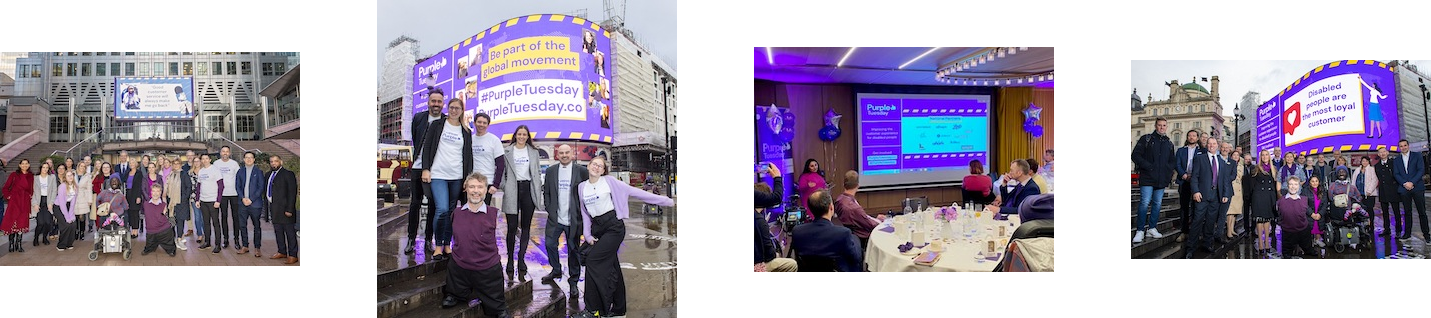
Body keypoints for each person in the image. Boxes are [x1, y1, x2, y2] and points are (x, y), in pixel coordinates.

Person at [574, 156, 674, 317]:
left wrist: (667, 201)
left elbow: (638, 193)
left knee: (593, 261)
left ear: (604, 170)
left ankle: (593, 310)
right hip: (597, 228)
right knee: (613, 267)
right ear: (588, 166)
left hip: (614, 227)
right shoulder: (581, 187)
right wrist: (587, 234)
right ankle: (619, 309)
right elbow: (584, 213)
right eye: (594, 164)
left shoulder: (610, 182)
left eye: (601, 166)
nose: (597, 167)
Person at [440, 173, 507, 317]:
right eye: (472, 187)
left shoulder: (495, 214)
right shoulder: (456, 213)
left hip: (487, 267)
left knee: (496, 308)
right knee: (454, 273)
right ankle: (455, 294)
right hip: (460, 266)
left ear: (485, 190)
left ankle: (497, 308)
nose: (476, 191)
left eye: (480, 187)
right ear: (465, 189)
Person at [422, 98, 474, 262]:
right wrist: (425, 169)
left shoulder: (466, 131)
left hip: (457, 176)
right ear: (448, 108)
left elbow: (468, 156)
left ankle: (446, 244)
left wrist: (467, 178)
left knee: (451, 213)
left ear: (462, 110)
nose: (454, 110)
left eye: (457, 108)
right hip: (438, 174)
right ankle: (438, 244)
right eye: (451, 107)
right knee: (442, 209)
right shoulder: (437, 125)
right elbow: (427, 147)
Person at [541, 144, 586, 289]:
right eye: (561, 153)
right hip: (555, 218)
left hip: (574, 220)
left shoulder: (582, 171)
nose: (564, 155)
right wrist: (549, 207)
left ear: (572, 153)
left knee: (574, 251)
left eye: (567, 152)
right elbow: (546, 191)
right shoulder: (551, 171)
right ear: (557, 155)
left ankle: (573, 281)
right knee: (549, 244)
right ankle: (556, 270)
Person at [499, 125, 542, 274]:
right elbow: (501, 171)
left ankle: (521, 258)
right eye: (520, 134)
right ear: (515, 135)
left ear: (528, 136)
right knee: (511, 227)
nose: (522, 137)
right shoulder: (507, 150)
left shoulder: (534, 152)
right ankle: (510, 260)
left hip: (528, 190)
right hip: (512, 189)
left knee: (526, 227)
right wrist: (505, 186)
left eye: (525, 134)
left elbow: (536, 172)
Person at [407, 90, 445, 255]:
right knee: (415, 204)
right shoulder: (419, 118)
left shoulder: (446, 121)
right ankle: (410, 239)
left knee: (433, 205)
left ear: (442, 103)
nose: (436, 104)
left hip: (436, 170)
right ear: (428, 102)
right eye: (433, 101)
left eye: (439, 102)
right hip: (417, 168)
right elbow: (416, 138)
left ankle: (429, 239)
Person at [788, 189, 861, 273]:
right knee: (856, 241)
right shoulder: (843, 233)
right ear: (831, 207)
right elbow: (854, 259)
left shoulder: (797, 231)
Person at [1131, 117, 1176, 243]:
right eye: (1160, 125)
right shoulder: (1146, 139)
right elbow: (1135, 155)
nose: (1162, 127)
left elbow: (1172, 161)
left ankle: (1152, 228)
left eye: (1164, 125)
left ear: (1167, 127)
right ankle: (1140, 230)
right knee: (1144, 203)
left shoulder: (1169, 143)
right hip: (1147, 177)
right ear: (1156, 126)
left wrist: (1168, 172)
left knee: (1157, 204)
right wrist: (1148, 166)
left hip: (1161, 179)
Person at [1184, 138, 1230, 259]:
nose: (1211, 146)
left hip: (1216, 196)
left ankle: (1207, 244)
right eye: (1209, 144)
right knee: (1197, 221)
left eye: (1214, 144)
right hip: (1201, 196)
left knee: (1210, 222)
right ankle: (1190, 248)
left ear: (1217, 145)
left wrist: (1225, 194)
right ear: (1207, 145)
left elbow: (1225, 180)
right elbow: (1194, 177)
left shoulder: (1222, 161)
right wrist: (1195, 191)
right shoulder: (1200, 158)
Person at [834, 170, 882, 254]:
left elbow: (862, 218)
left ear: (844, 184)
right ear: (857, 185)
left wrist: (874, 218)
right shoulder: (853, 208)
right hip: (862, 237)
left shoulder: (839, 199)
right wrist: (883, 222)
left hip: (853, 232)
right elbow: (870, 225)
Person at [1393, 139, 1429, 241]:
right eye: (1401, 146)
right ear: (1399, 148)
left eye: (1405, 145)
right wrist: (1405, 183)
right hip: (1404, 189)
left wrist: (1412, 182)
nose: (1403, 147)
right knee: (1407, 212)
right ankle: (1407, 234)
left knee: (1422, 212)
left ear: (1408, 146)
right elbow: (1396, 174)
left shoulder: (1417, 156)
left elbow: (1421, 170)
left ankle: (1426, 235)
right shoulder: (1396, 160)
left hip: (1417, 187)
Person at [266, 155, 299, 264]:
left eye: (276, 161)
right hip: (274, 209)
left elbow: (292, 193)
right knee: (278, 232)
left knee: (289, 233)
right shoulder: (268, 175)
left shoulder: (288, 174)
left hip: (285, 210)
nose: (273, 163)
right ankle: (282, 251)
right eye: (271, 162)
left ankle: (293, 255)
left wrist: (289, 209)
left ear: (281, 162)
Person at [232, 152, 265, 256]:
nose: (249, 159)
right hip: (242, 204)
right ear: (244, 159)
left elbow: (261, 187)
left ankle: (257, 248)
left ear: (254, 159)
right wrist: (242, 198)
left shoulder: (259, 172)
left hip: (255, 204)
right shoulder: (240, 171)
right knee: (242, 226)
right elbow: (237, 186)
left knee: (256, 226)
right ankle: (245, 246)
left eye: (251, 157)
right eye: (247, 157)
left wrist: (251, 199)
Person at [469, 113, 504, 208]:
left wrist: (496, 185)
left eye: (484, 123)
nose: (481, 125)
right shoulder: (470, 139)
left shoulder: (494, 140)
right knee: (471, 210)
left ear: (488, 125)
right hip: (472, 181)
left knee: (483, 211)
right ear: (474, 123)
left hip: (487, 182)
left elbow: (500, 164)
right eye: (479, 122)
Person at [1275, 176, 1315, 259]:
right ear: (1287, 185)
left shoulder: (1304, 199)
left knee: (1308, 248)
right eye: (1291, 184)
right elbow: (1277, 213)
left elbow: (1309, 212)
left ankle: (1309, 250)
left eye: (1296, 184)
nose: (1293, 186)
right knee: (1287, 254)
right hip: (1288, 231)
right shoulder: (1281, 201)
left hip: (1303, 229)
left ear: (1299, 186)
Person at [1174, 130, 1202, 243]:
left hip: (1197, 182)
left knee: (1197, 208)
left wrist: (1194, 176)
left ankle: (1195, 232)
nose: (1191, 137)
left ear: (1197, 138)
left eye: (1194, 136)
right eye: (1189, 135)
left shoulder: (1202, 151)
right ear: (1187, 137)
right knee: (1184, 208)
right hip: (1184, 181)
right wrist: (1184, 175)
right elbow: (1177, 164)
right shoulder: (1181, 150)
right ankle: (1184, 231)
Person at [212, 146, 241, 250]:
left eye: (227, 151)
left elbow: (239, 178)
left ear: (229, 153)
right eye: (223, 151)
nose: (225, 153)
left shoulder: (234, 164)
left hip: (234, 194)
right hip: (222, 195)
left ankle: (237, 240)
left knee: (235, 217)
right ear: (220, 153)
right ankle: (226, 239)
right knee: (223, 217)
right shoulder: (216, 164)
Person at [1251, 151, 1279, 257]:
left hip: (1269, 196)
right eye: (1263, 155)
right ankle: (1261, 244)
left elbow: (1275, 184)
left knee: (1267, 220)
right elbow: (1252, 185)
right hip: (1259, 197)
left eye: (1266, 155)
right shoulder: (1256, 169)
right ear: (1260, 157)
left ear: (1269, 157)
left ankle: (1267, 242)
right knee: (1260, 220)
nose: (1264, 157)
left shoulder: (1274, 169)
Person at [196, 154, 225, 253]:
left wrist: (218, 200)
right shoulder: (201, 171)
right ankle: (207, 242)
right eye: (202, 159)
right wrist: (197, 199)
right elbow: (199, 187)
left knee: (215, 223)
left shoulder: (215, 170)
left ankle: (218, 244)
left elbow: (221, 186)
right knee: (206, 222)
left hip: (213, 201)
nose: (204, 160)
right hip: (203, 201)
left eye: (206, 158)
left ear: (210, 159)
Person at [3, 159, 33, 252]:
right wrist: (9, 196)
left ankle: (18, 244)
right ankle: (11, 244)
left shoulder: (30, 176)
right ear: (19, 165)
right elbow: (6, 187)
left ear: (29, 165)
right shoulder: (14, 175)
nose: (24, 165)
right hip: (14, 201)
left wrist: (29, 196)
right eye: (22, 164)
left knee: (21, 222)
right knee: (12, 222)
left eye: (26, 163)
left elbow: (31, 189)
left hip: (24, 201)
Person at [139, 182, 176, 256]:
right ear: (151, 192)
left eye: (158, 191)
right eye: (153, 191)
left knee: (170, 246)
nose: (155, 193)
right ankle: (150, 248)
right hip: (151, 231)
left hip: (163, 230)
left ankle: (171, 249)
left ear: (160, 193)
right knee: (149, 246)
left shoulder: (164, 205)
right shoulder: (146, 204)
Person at [1375, 147, 1404, 238]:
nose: (1383, 154)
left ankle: (1398, 230)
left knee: (1396, 211)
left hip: (1393, 190)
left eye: (1384, 152)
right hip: (1383, 191)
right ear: (1378, 154)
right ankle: (1387, 229)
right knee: (1385, 212)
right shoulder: (1377, 165)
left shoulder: (1393, 163)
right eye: (1380, 152)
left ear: (1387, 153)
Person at [164, 157, 188, 251]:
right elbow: (168, 188)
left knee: (180, 221)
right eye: (174, 164)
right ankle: (174, 238)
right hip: (172, 202)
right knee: (172, 221)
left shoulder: (184, 174)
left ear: (180, 164)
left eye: (177, 163)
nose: (176, 165)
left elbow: (188, 187)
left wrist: (183, 199)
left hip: (181, 202)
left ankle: (179, 239)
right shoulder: (170, 174)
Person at [1351, 156, 1379, 235]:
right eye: (1363, 161)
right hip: (1359, 194)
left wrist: (1369, 191)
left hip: (1369, 194)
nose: (1364, 162)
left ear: (1368, 162)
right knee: (1360, 210)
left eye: (1366, 161)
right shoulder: (1357, 170)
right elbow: (1353, 181)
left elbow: (1374, 180)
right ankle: (1362, 226)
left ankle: (1371, 225)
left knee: (1369, 209)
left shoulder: (1372, 169)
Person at [31, 162, 57, 246]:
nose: (45, 169)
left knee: (48, 222)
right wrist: (35, 203)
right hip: (39, 201)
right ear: (40, 168)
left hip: (48, 201)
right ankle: (36, 237)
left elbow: (54, 191)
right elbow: (33, 192)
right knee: (40, 222)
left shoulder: (52, 177)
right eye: (43, 167)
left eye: (47, 168)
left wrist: (51, 203)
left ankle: (44, 237)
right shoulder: (35, 178)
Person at [1305, 175, 1330, 248]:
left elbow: (1325, 204)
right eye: (1312, 181)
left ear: (1319, 182)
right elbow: (1305, 204)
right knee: (1309, 228)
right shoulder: (1305, 191)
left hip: (1319, 214)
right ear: (1309, 182)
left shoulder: (1323, 190)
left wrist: (1320, 214)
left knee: (1318, 226)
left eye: (1316, 181)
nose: (1314, 183)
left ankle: (1318, 239)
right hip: (1310, 214)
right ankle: (1310, 241)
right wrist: (1311, 214)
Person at [1224, 150, 1244, 240]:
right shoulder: (1228, 164)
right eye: (1234, 155)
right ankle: (1228, 231)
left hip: (1238, 191)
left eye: (1237, 155)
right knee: (1230, 212)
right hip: (1231, 188)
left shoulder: (1241, 166)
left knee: (1235, 212)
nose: (1236, 156)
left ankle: (1232, 229)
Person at [75, 162, 95, 241]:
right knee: (75, 216)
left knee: (82, 216)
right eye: (81, 166)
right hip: (74, 198)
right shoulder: (73, 174)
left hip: (83, 197)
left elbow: (89, 189)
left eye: (84, 166)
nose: (82, 167)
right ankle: (76, 231)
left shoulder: (87, 176)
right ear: (78, 166)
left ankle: (82, 232)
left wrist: (89, 200)